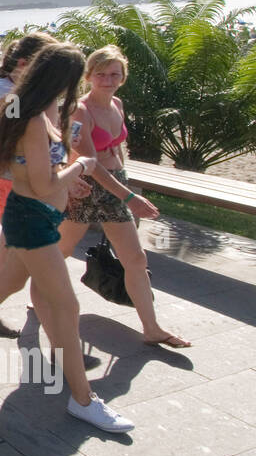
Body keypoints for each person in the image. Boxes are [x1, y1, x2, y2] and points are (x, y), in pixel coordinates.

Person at [0, 43, 134, 434]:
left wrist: (71, 182)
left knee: (11, 281)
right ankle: (83, 400)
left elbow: (43, 174)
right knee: (65, 307)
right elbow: (41, 183)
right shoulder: (32, 119)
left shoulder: (42, 112)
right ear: (61, 80)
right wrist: (82, 166)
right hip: (31, 219)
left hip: (38, 214)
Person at [59, 46, 190, 347]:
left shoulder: (117, 104)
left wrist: (123, 181)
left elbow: (115, 149)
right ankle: (40, 297)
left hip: (115, 183)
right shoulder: (81, 110)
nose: (108, 80)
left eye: (114, 74)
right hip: (89, 187)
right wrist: (130, 197)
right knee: (61, 249)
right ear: (89, 76)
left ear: (123, 77)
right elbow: (89, 162)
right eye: (101, 74)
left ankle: (152, 327)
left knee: (135, 258)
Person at [0, 31, 61, 337]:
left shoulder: (20, 93)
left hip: (13, 183)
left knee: (10, 251)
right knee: (24, 255)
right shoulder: (4, 91)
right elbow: (17, 127)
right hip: (3, 182)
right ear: (23, 64)